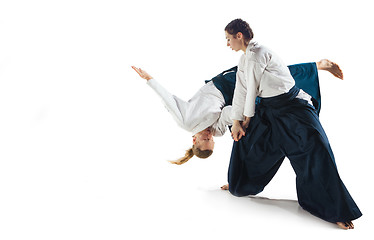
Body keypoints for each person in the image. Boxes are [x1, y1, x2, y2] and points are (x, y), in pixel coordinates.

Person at [224, 18, 361, 230]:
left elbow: (251, 90)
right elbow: (241, 90)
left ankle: (335, 210)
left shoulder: (257, 54)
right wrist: (237, 121)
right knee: (246, 138)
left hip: (293, 109)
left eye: (228, 39)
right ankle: (239, 184)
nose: (227, 44)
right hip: (270, 110)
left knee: (318, 149)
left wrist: (246, 117)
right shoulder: (245, 60)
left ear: (239, 36)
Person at [132, 59, 342, 165]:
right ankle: (300, 96)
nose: (209, 136)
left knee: (267, 74)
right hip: (233, 94)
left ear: (195, 140)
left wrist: (149, 79)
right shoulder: (217, 131)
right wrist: (237, 125)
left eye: (204, 139)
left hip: (222, 84)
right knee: (272, 86)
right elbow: (230, 111)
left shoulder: (186, 122)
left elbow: (168, 99)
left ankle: (318, 65)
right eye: (210, 140)